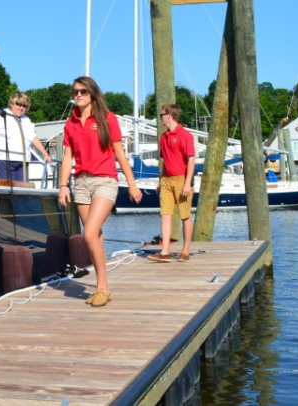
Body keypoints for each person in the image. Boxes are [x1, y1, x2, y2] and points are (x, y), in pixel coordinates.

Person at [56, 76, 141, 307]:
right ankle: (103, 287)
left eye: (83, 91)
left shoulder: (107, 118)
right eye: (75, 91)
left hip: (105, 180)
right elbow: (67, 157)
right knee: (95, 237)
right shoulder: (71, 123)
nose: (79, 95)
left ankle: (102, 288)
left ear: (92, 93)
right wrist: (63, 186)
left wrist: (132, 184)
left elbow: (120, 153)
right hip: (81, 182)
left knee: (89, 234)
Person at [149, 104, 196, 263]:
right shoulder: (163, 137)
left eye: (161, 115)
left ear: (169, 115)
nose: (160, 118)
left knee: (185, 216)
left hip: (181, 179)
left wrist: (187, 183)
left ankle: (185, 251)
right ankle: (165, 251)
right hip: (167, 180)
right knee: (165, 215)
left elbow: (191, 159)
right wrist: (160, 181)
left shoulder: (185, 135)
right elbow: (165, 161)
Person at [0, 92, 53, 182]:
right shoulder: (2, 115)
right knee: (6, 188)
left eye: (24, 106)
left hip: (23, 160)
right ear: (12, 104)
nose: (21, 108)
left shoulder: (26, 119)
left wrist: (45, 154)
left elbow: (33, 138)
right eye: (18, 104)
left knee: (23, 188)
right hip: (3, 159)